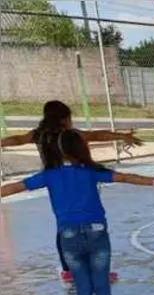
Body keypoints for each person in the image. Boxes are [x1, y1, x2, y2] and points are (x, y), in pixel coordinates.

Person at [0, 130, 154, 295]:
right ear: (81, 149)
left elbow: (14, 187)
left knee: (83, 287)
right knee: (101, 285)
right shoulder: (91, 172)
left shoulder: (50, 175)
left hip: (68, 237)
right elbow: (124, 177)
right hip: (97, 233)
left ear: (60, 151)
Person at [1, 100, 143, 284]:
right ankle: (98, 269)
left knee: (64, 226)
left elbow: (17, 139)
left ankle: (69, 270)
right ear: (65, 119)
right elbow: (96, 135)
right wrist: (121, 136)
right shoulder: (70, 135)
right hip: (79, 179)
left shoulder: (38, 134)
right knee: (89, 220)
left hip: (55, 182)